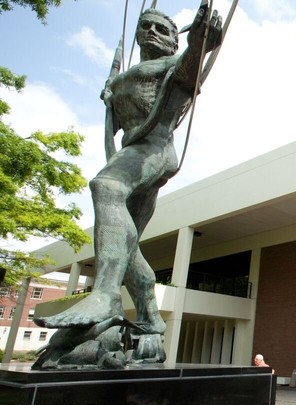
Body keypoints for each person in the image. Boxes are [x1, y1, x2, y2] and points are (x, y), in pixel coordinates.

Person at [35, 2, 223, 362]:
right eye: (147, 26)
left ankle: (105, 292)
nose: (152, 32)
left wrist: (199, 40)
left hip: (152, 152)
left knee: (105, 186)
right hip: (131, 153)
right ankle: (152, 320)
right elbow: (118, 126)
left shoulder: (170, 66)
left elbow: (189, 67)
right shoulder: (124, 79)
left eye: (163, 30)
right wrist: (111, 96)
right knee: (127, 242)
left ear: (173, 42)